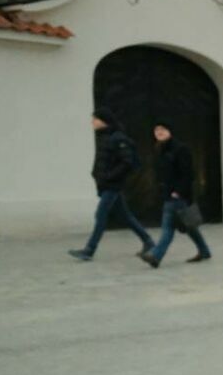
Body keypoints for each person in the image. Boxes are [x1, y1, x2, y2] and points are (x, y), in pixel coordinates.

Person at [68, 108, 155, 261]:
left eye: (95, 119)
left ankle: (89, 250)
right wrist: (97, 174)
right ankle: (148, 241)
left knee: (100, 215)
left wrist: (110, 176)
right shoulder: (104, 137)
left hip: (113, 185)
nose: (92, 122)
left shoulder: (117, 138)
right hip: (107, 184)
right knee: (126, 217)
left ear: (103, 121)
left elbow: (126, 162)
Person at [140, 122, 212, 268]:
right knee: (190, 227)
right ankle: (204, 251)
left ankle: (155, 255)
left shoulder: (180, 149)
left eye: (163, 129)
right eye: (156, 129)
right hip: (168, 194)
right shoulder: (159, 149)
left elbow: (188, 174)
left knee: (168, 228)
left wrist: (178, 192)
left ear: (170, 131)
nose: (159, 132)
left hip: (178, 196)